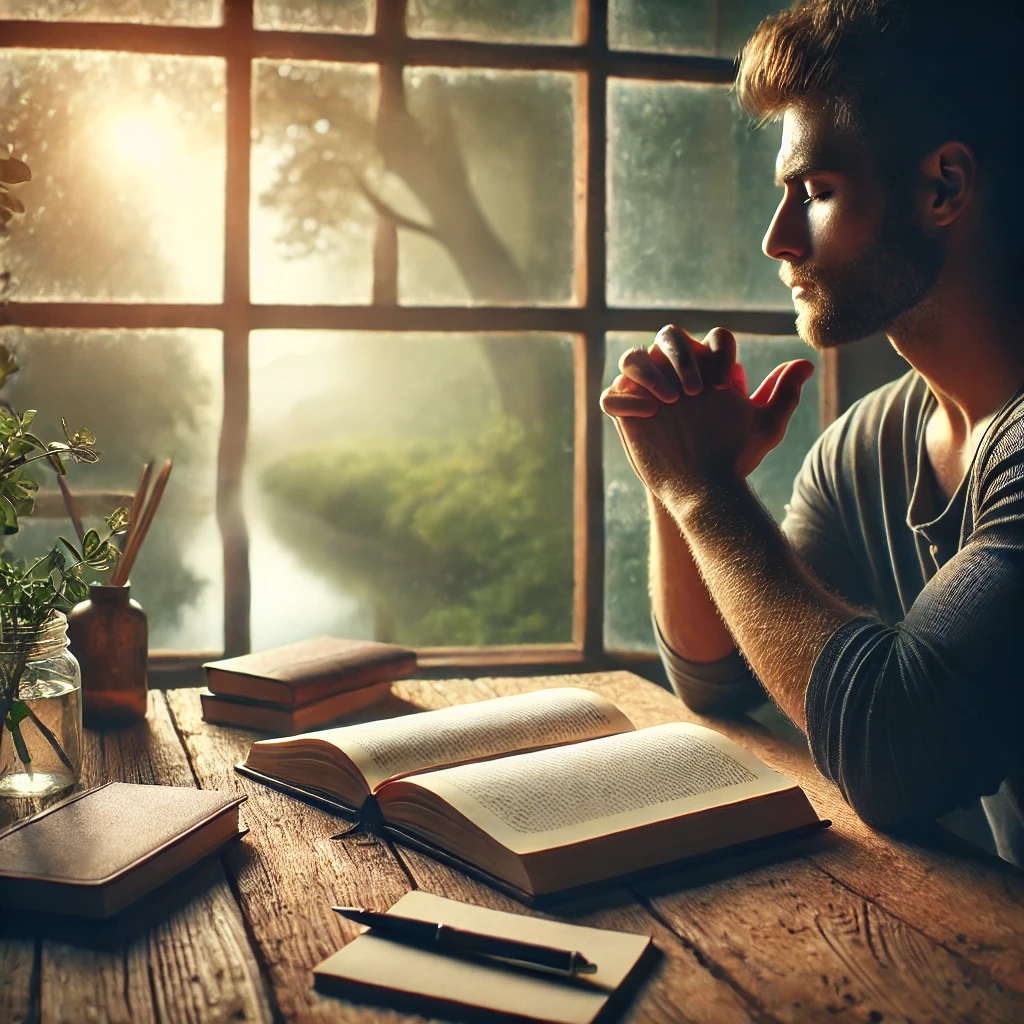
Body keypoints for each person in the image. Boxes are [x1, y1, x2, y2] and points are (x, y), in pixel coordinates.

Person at [601, 0, 1024, 867]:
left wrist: (704, 492)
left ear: (942, 186)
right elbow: (723, 675)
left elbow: (895, 751)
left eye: (816, 193)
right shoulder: (869, 443)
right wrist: (681, 470)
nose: (777, 239)